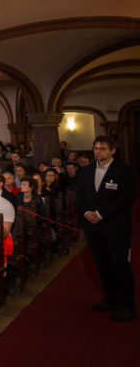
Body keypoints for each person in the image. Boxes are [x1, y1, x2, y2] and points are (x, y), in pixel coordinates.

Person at [76, 135, 137, 322]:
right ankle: (111, 298)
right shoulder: (86, 170)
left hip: (115, 226)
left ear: (113, 150)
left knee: (120, 265)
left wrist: (101, 213)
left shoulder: (124, 171)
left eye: (102, 148)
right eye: (96, 148)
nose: (98, 151)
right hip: (92, 228)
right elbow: (80, 195)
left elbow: (126, 197)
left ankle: (128, 305)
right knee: (102, 264)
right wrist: (86, 212)